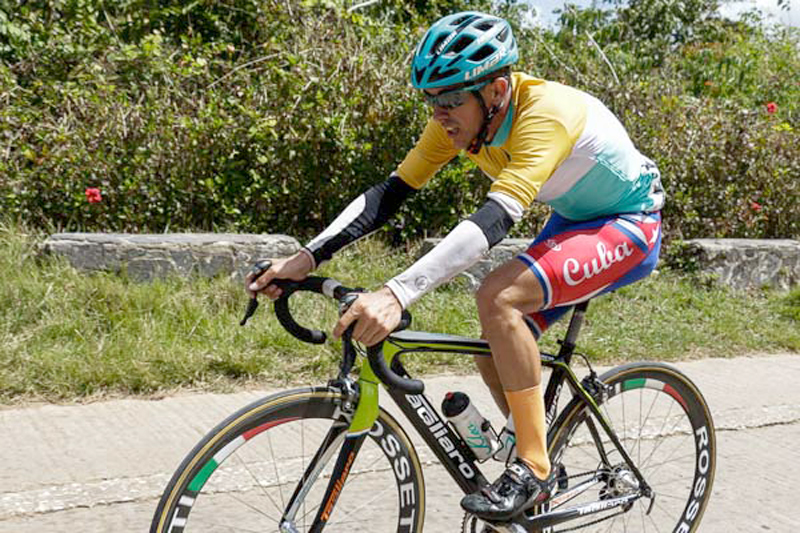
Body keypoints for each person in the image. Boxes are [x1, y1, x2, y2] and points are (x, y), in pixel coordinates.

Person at [248, 11, 664, 522]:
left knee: (497, 297)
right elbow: (390, 194)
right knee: (495, 346)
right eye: (431, 101)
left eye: (449, 101)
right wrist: (306, 257)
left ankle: (533, 468)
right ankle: (537, 455)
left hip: (629, 223)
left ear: (496, 91)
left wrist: (396, 293)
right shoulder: (457, 121)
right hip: (573, 219)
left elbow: (494, 219)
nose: (439, 115)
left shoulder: (546, 114)